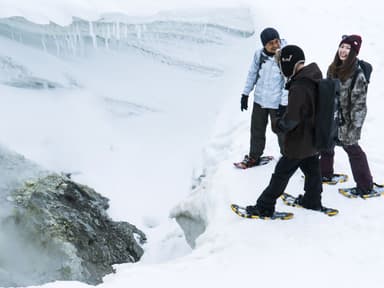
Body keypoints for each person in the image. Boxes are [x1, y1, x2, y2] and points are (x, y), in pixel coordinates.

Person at [246, 45, 326, 217]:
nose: (281, 70)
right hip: (312, 140)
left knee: (281, 174)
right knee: (313, 171)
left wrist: (276, 123)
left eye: (281, 65)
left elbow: (291, 120)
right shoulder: (315, 77)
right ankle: (313, 201)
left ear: (288, 62)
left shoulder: (299, 87)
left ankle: (264, 206)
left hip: (298, 142)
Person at [320, 35, 380, 196]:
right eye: (342, 47)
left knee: (353, 150)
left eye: (348, 48)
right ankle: (324, 173)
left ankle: (365, 185)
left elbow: (359, 104)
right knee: (326, 146)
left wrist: (354, 127)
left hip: (347, 122)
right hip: (332, 117)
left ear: (354, 52)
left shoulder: (357, 74)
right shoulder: (332, 68)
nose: (343, 50)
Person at [237, 27, 287, 168]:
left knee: (282, 132)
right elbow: (252, 74)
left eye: (276, 41)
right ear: (264, 44)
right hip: (260, 100)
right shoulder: (259, 55)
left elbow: (288, 82)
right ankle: (254, 156)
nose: (275, 45)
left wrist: (284, 104)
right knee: (257, 130)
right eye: (270, 43)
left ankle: (288, 158)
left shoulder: (284, 56)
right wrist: (245, 94)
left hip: (277, 103)